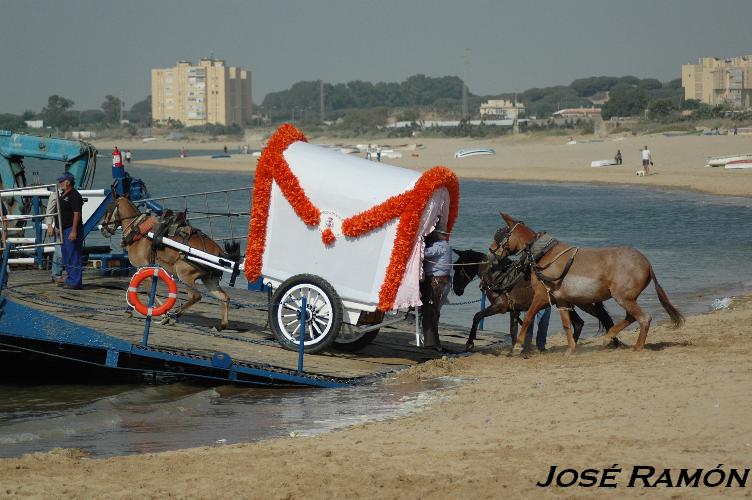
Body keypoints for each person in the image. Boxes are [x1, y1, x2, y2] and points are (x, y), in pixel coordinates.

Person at [420, 228, 452, 352]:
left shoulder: (439, 246)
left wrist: (418, 244)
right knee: (435, 311)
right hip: (443, 281)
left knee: (431, 311)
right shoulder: (447, 246)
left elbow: (425, 253)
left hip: (437, 282)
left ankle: (431, 342)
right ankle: (434, 341)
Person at [56, 172, 83, 290]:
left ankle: (75, 281)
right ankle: (70, 278)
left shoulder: (74, 195)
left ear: (68, 182)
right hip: (63, 229)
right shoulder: (62, 194)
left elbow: (77, 213)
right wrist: (57, 226)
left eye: (62, 181)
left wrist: (74, 231)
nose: (60, 183)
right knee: (66, 255)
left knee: (73, 255)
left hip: (70, 229)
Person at [45, 191, 64, 284]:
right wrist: (49, 225)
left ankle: (56, 274)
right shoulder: (56, 194)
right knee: (59, 252)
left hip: (70, 226)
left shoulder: (73, 193)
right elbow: (50, 210)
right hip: (59, 227)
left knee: (60, 251)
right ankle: (57, 274)